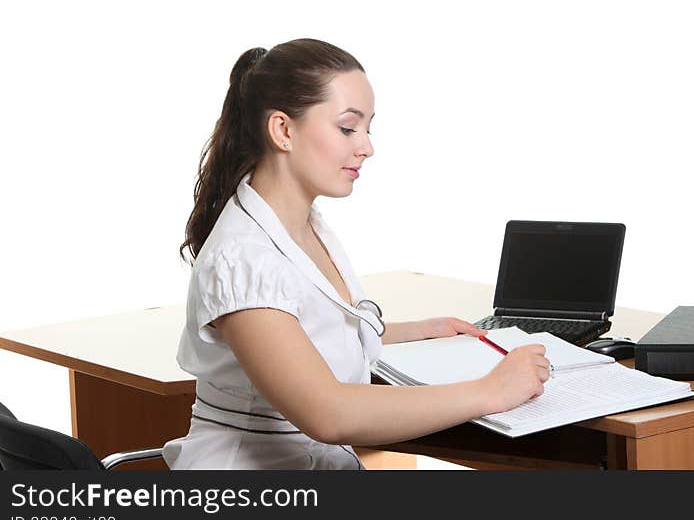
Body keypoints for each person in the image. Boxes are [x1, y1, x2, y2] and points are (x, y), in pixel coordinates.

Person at [162, 38, 551, 469]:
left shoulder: (304, 226)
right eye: (348, 128)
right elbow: (327, 413)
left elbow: (304, 326)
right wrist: (492, 391)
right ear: (283, 131)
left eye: (368, 128)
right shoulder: (242, 257)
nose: (366, 147)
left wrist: (416, 330)